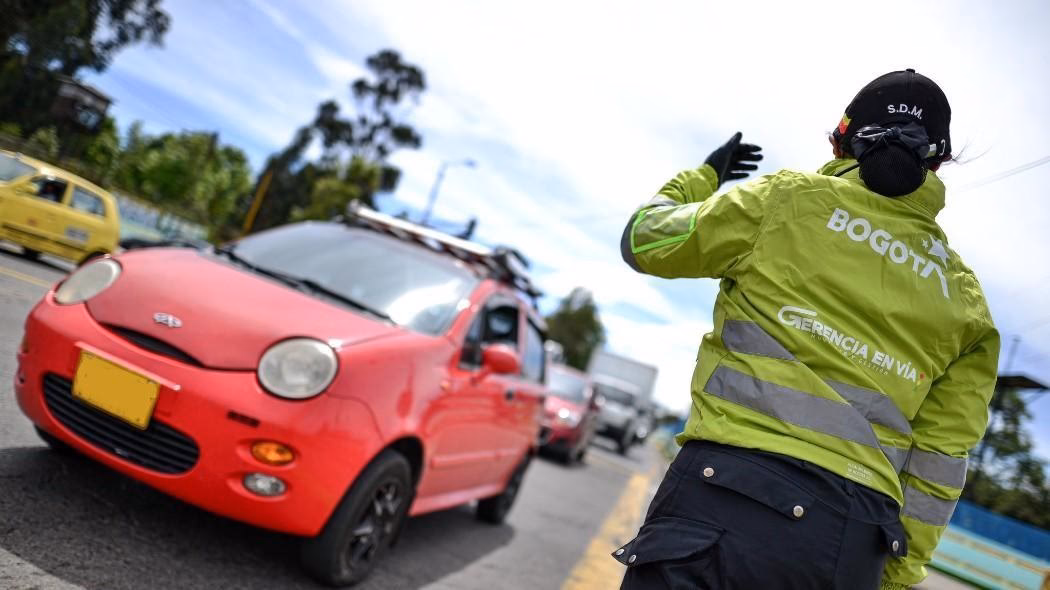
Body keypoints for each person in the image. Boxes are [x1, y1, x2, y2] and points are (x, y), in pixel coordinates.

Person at [616, 69, 999, 590]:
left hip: (718, 499)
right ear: (938, 162)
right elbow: (939, 464)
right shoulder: (967, 301)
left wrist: (703, 177)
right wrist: (890, 577)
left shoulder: (786, 201)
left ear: (843, 141)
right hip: (851, 545)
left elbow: (644, 241)